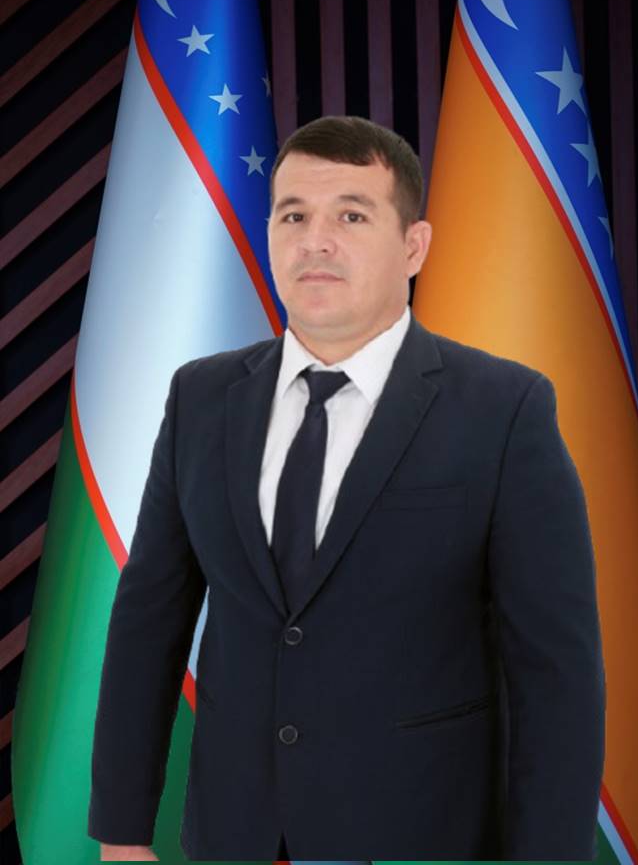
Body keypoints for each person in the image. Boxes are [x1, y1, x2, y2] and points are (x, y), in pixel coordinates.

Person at [88, 116, 605, 861]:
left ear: (414, 246)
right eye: (293, 215)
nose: (316, 241)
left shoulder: (505, 408)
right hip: (235, 835)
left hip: (424, 837)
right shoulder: (200, 398)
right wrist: (121, 833)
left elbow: (557, 676)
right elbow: (149, 622)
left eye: (352, 216)